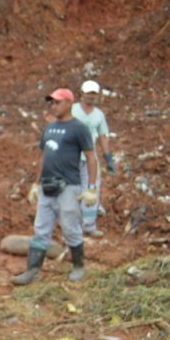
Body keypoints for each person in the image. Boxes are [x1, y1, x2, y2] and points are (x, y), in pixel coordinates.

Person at [12, 88, 98, 285]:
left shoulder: (79, 128)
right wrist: (36, 183)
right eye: (51, 102)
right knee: (41, 228)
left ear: (69, 103)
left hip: (68, 186)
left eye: (57, 102)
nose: (53, 106)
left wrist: (91, 187)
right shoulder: (49, 128)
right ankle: (32, 271)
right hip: (47, 186)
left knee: (70, 227)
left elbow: (91, 158)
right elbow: (44, 157)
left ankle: (78, 266)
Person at [72, 79, 115, 237]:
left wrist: (108, 157)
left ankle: (89, 226)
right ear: (82, 94)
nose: (91, 97)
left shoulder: (98, 115)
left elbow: (103, 136)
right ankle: (71, 225)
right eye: (88, 93)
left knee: (92, 188)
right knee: (72, 190)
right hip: (71, 155)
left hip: (89, 157)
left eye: (94, 94)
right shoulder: (72, 110)